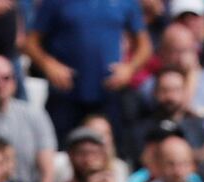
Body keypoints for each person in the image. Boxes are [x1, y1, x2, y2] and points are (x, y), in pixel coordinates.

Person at [24, 0, 152, 147]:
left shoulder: (126, 2)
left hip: (108, 90)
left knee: (109, 149)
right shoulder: (54, 2)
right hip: (66, 91)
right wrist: (48, 65)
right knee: (60, 149)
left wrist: (129, 69)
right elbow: (30, 43)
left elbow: (145, 46)